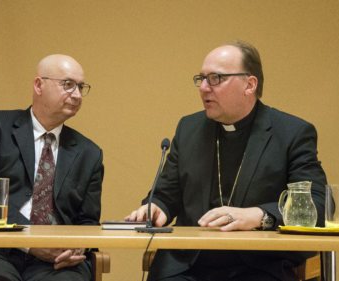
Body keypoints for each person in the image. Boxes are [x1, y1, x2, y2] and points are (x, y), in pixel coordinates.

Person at [126, 40, 327, 281]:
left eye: (215, 78)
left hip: (257, 266)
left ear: (249, 84)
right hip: (187, 265)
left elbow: (318, 204)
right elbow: (167, 193)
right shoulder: (189, 128)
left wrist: (258, 216)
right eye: (200, 79)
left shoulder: (291, 133)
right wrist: (158, 206)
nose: (203, 87)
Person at [0, 54, 103, 281]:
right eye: (68, 85)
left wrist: (77, 248)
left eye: (81, 87)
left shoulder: (89, 153)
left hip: (56, 262)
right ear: (39, 85)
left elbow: (88, 222)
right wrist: (29, 241)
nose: (77, 95)